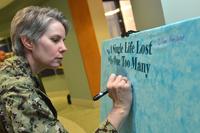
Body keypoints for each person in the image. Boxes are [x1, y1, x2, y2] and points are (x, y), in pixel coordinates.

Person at [0, 6, 132, 133]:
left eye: (63, 40)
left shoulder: (10, 71)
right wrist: (119, 109)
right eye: (55, 39)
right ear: (28, 42)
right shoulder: (18, 90)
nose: (64, 47)